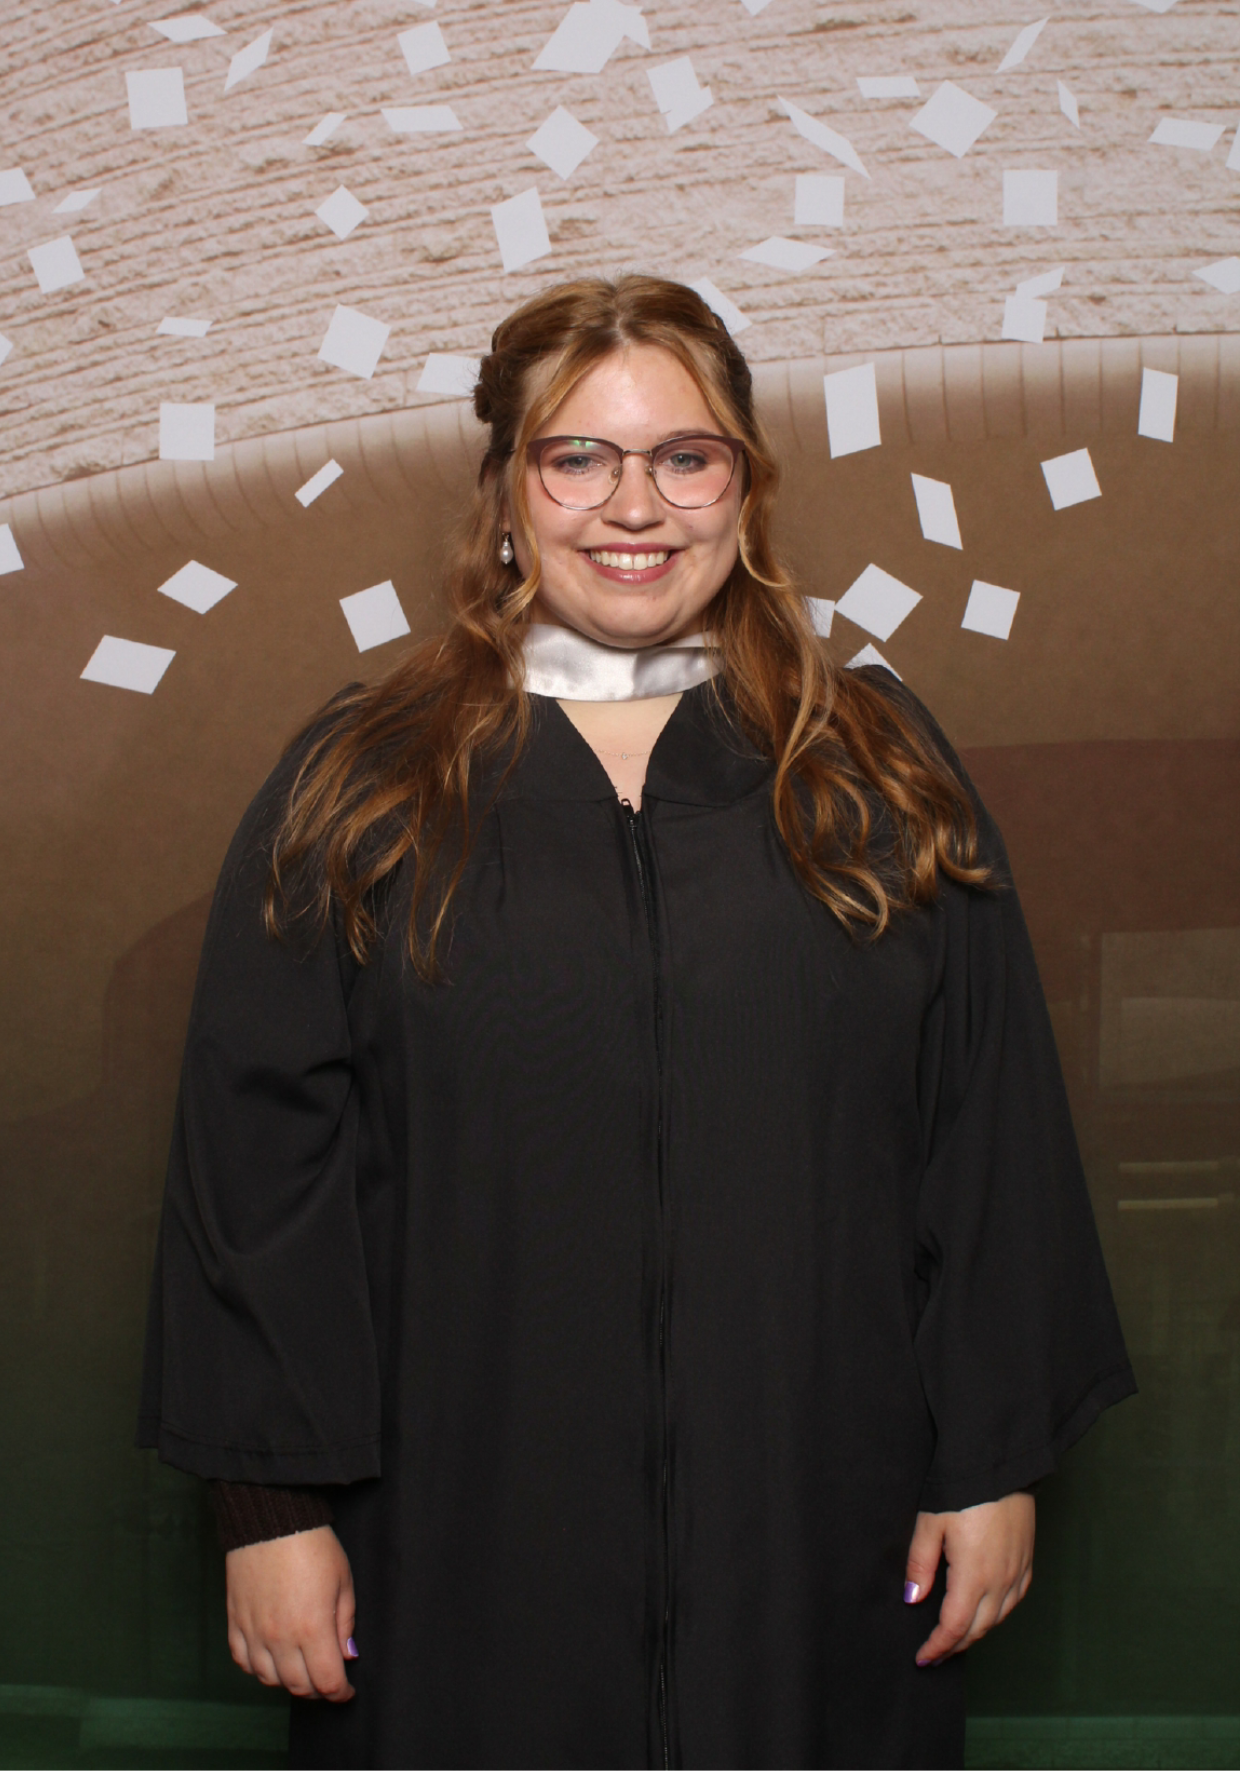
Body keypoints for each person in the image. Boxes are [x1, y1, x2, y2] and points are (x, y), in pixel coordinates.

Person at [139, 275, 1135, 1771]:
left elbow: (985, 1126)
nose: (635, 505)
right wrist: (269, 1508)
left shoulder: (873, 768)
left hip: (819, 1530)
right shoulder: (365, 783)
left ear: (744, 488)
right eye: (578, 458)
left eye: (686, 456)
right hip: (454, 1541)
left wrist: (992, 1459)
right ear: (507, 492)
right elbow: (257, 1167)